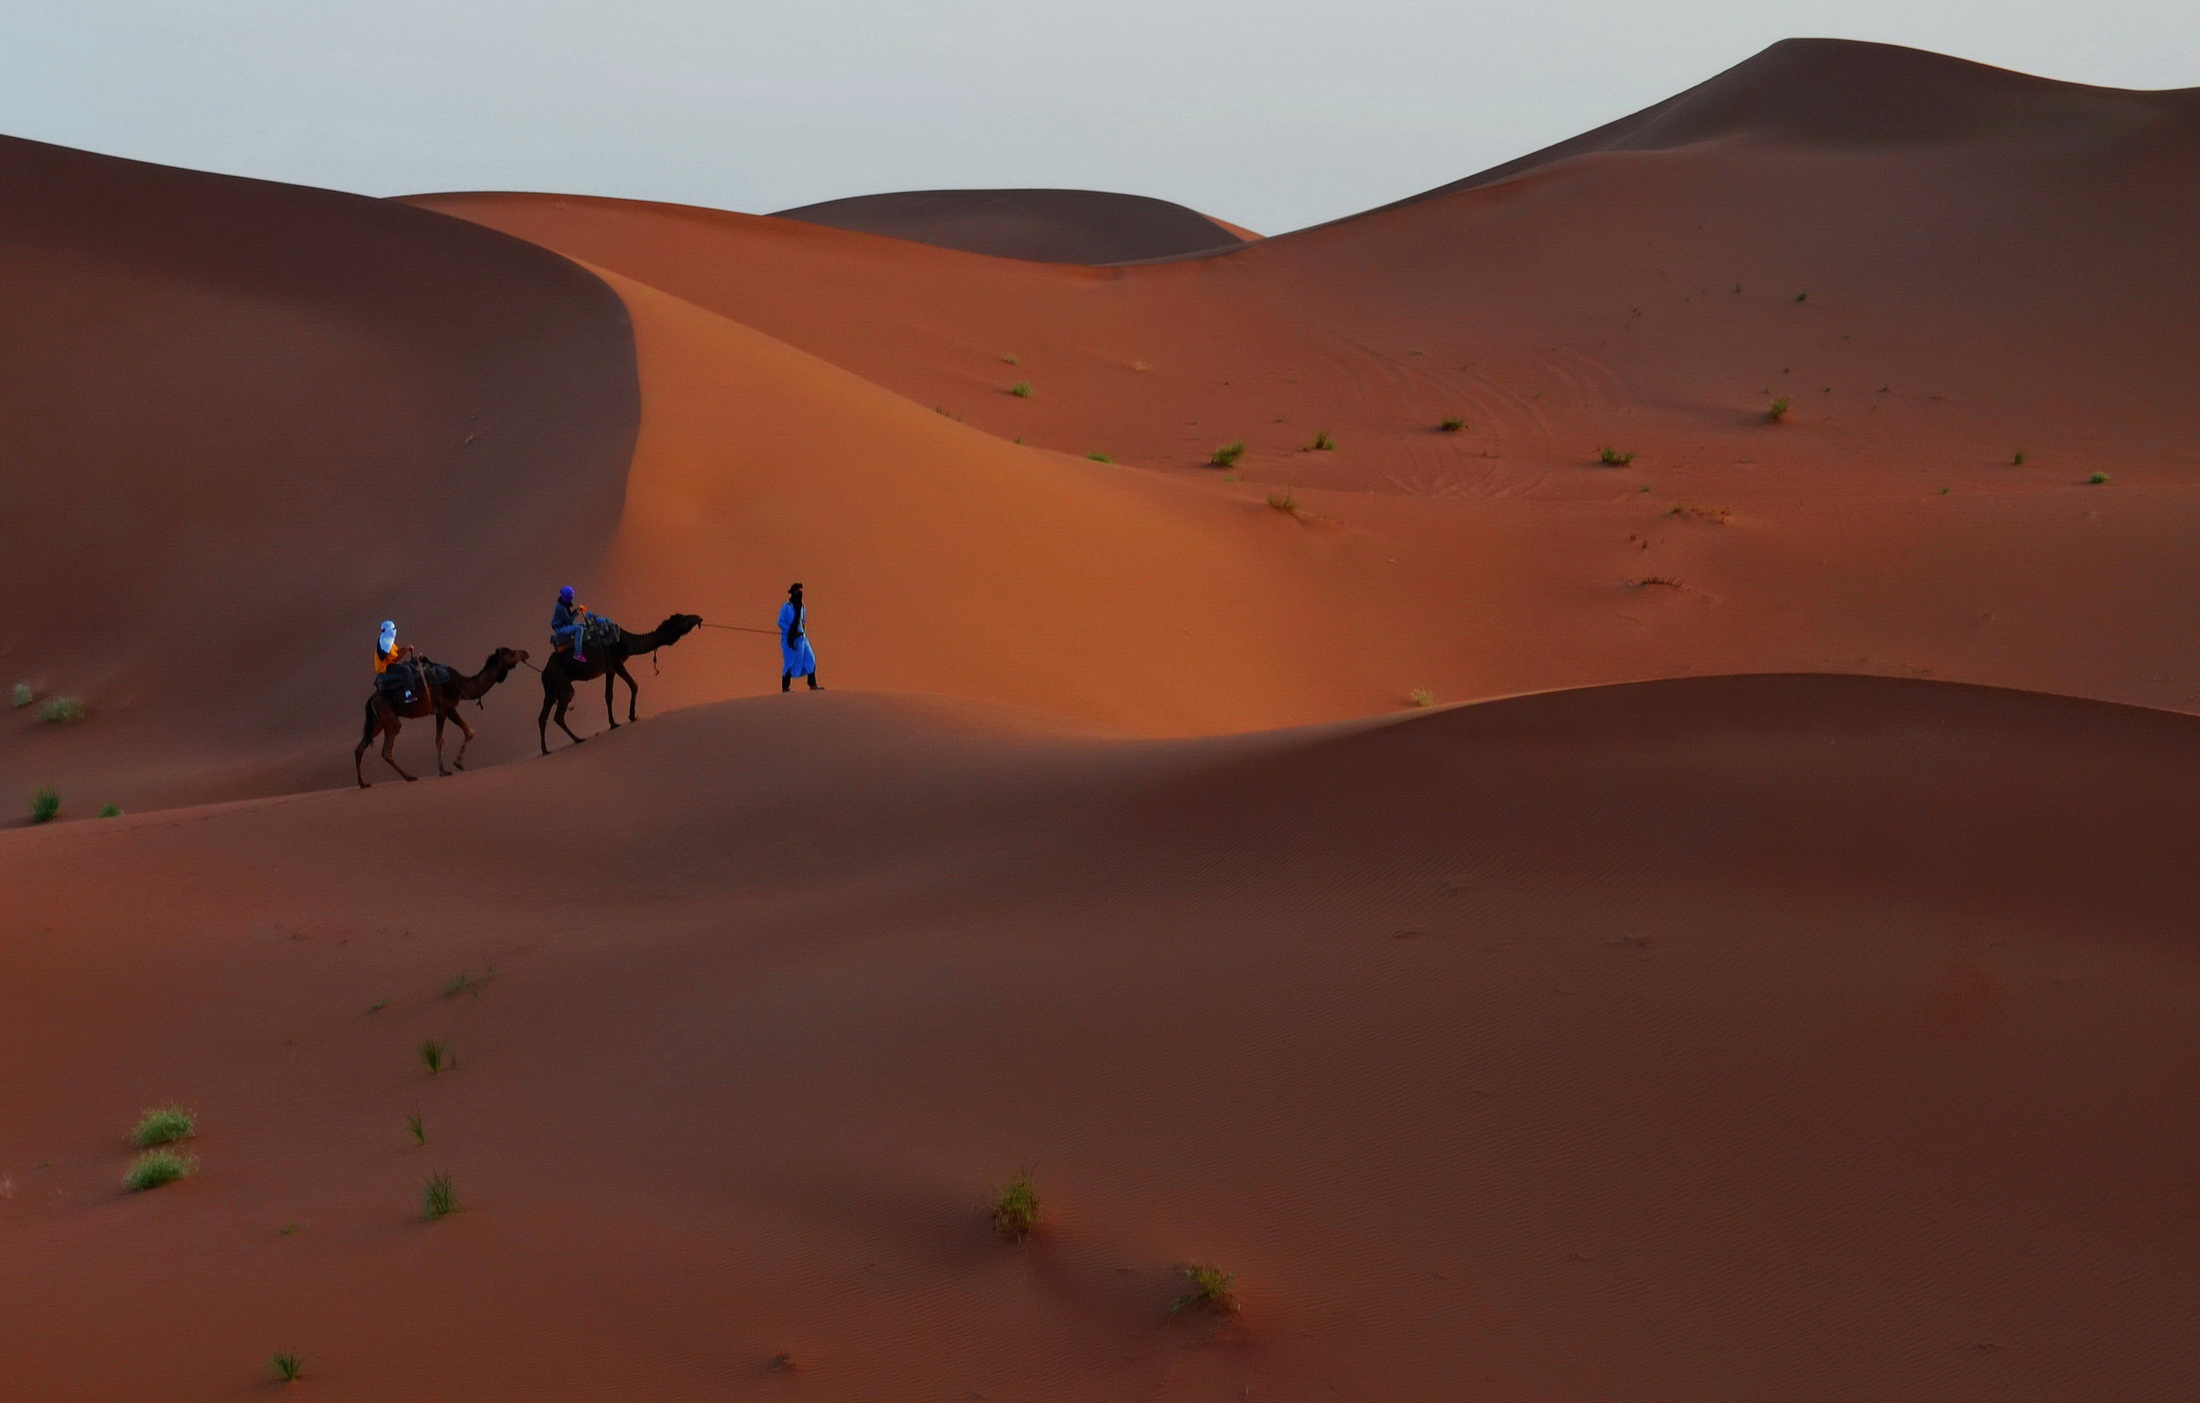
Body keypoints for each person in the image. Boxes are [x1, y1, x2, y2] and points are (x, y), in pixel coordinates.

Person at [778, 582, 821, 692]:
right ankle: (785, 687)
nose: (800, 593)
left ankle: (812, 684)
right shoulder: (786, 606)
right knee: (789, 662)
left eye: (801, 591)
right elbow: (780, 622)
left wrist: (801, 632)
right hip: (790, 639)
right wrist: (791, 631)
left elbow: (803, 622)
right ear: (793, 593)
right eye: (798, 591)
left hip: (802, 638)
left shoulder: (802, 607)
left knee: (810, 658)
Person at [374, 620, 422, 701]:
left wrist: (406, 648)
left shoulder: (388, 641)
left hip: (390, 664)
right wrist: (406, 649)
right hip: (385, 667)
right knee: (405, 670)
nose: (394, 630)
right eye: (393, 628)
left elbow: (396, 652)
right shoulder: (385, 644)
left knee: (410, 665)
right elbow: (396, 658)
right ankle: (408, 694)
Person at [550, 585, 590, 664]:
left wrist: (577, 610)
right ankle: (577, 653)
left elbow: (568, 617)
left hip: (564, 625)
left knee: (583, 625)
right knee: (579, 629)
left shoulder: (564, 605)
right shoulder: (560, 608)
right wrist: (577, 612)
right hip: (560, 628)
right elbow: (569, 621)